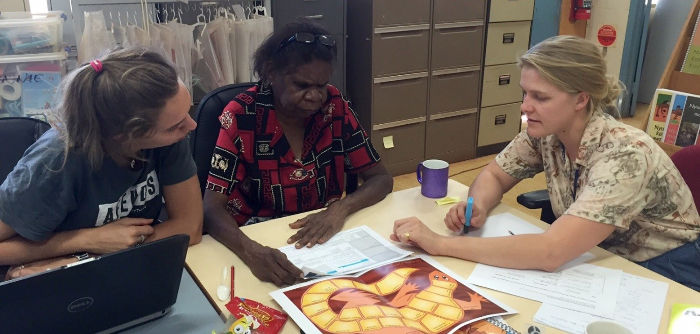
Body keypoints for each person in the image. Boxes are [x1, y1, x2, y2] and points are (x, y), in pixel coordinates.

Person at [391, 36, 700, 291]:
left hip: (665, 269)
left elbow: (551, 252)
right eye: (525, 94)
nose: (526, 107)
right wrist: (478, 204)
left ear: (580, 100)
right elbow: (495, 175)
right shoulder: (547, 133)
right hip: (598, 256)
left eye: (540, 97)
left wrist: (438, 243)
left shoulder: (626, 154)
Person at [203, 20, 393, 286]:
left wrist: (341, 209)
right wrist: (251, 251)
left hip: (325, 234)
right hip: (257, 238)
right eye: (302, 85)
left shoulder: (334, 106)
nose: (315, 96)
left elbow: (381, 179)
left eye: (322, 85)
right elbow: (211, 208)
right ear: (271, 72)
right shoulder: (240, 115)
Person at [0, 48, 203, 279]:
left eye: (187, 112)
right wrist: (86, 241)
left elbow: (190, 227)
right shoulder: (55, 161)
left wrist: (100, 255)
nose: (191, 125)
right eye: (174, 126)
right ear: (123, 135)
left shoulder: (170, 137)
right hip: (61, 280)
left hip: (118, 269)